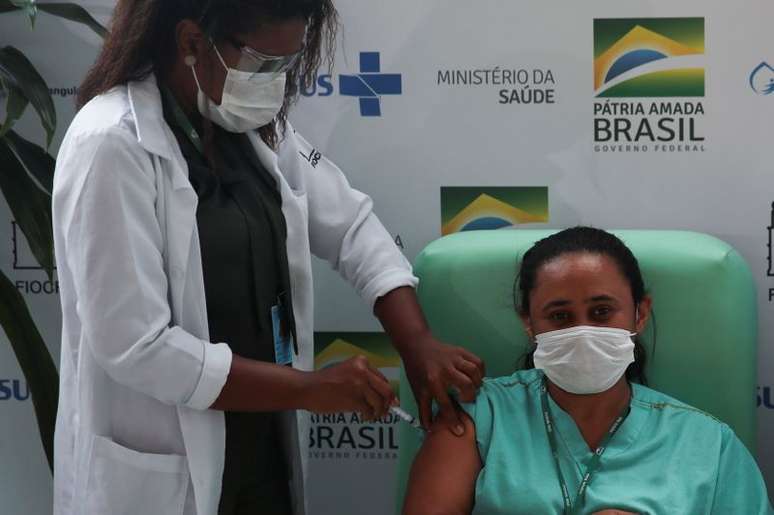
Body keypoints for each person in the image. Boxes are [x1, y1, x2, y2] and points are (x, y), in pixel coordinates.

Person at [51, 1, 484, 514]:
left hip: (261, 443)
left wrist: (417, 345)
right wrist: (307, 388)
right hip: (166, 470)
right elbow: (135, 345)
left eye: (287, 64)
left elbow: (351, 227)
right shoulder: (112, 144)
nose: (275, 84)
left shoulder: (245, 126)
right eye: (263, 64)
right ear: (192, 42)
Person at [403, 227, 774, 515]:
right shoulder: (479, 420)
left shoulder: (708, 445)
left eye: (601, 312)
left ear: (640, 314)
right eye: (560, 317)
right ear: (529, 324)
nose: (582, 332)